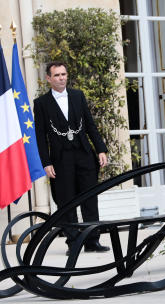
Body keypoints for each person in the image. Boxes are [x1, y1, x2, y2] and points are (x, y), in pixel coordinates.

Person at [34, 61, 110, 254]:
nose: (61, 78)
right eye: (57, 75)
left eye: (64, 74)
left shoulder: (78, 96)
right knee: (66, 201)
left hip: (84, 155)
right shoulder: (41, 103)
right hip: (60, 159)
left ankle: (92, 241)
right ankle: (74, 243)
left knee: (89, 199)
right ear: (49, 79)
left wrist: (101, 149)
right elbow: (40, 136)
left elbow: (90, 125)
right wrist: (46, 162)